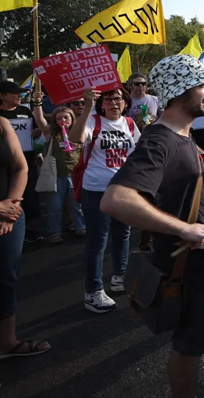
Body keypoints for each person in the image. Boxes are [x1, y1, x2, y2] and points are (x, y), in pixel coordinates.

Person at [101, 54, 204, 398]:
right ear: (179, 92)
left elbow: (176, 168)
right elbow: (115, 200)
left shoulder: (183, 134)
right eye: (203, 86)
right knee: (190, 343)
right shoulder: (158, 140)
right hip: (186, 263)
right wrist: (182, 228)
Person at [67, 88, 140, 313]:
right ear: (102, 103)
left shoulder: (129, 123)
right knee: (98, 241)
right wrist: (88, 106)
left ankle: (120, 277)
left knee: (122, 234)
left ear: (125, 102)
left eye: (118, 98)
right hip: (97, 190)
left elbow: (139, 150)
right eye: (109, 99)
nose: (114, 103)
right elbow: (75, 139)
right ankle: (93, 291)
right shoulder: (93, 120)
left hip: (123, 190)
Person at [0, 116, 51, 360]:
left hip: (9, 215)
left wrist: (10, 207)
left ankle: (7, 343)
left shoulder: (2, 123)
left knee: (6, 280)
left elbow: (20, 167)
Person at [31, 103, 85, 244]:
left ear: (72, 118)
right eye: (59, 118)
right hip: (55, 176)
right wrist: (37, 103)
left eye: (66, 118)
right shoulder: (51, 134)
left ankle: (80, 225)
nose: (63, 121)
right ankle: (54, 231)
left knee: (77, 205)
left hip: (75, 175)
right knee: (55, 206)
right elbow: (39, 119)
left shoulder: (78, 133)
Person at [0, 81, 40, 243]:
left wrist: (11, 208)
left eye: (20, 93)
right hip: (4, 164)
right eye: (14, 93)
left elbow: (34, 129)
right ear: (2, 96)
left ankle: (26, 226)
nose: (19, 96)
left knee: (28, 194)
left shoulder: (24, 110)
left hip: (25, 158)